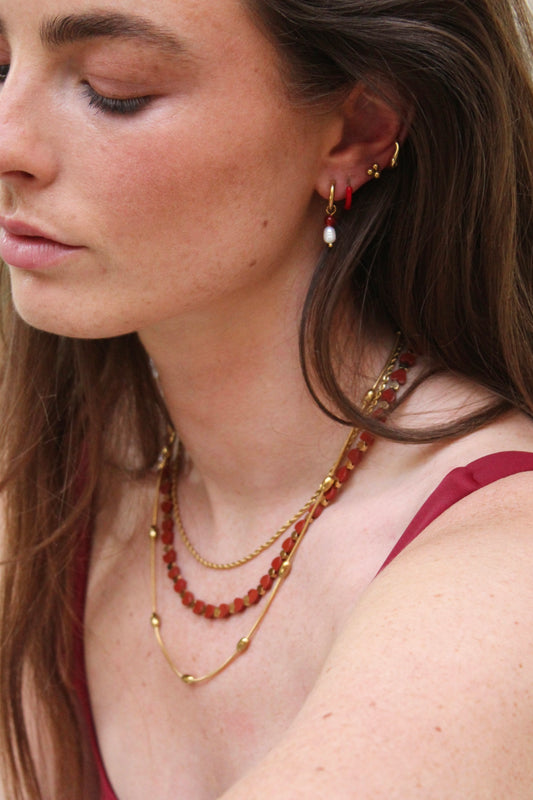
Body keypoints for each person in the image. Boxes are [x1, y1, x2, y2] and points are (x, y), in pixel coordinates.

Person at [1, 0, 533, 797]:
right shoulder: (53, 497)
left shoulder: (498, 586)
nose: (10, 144)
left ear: (359, 131)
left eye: (115, 90)